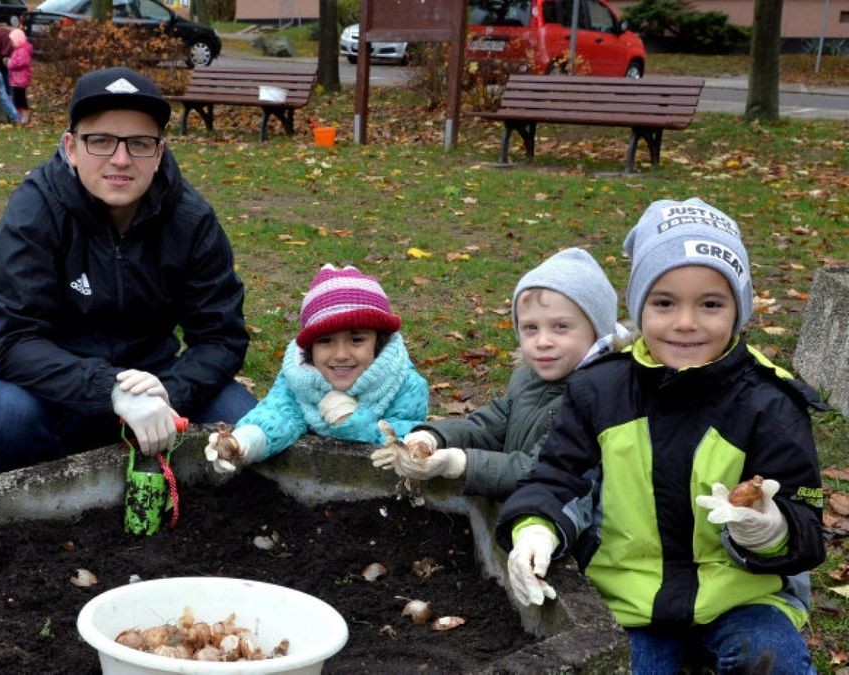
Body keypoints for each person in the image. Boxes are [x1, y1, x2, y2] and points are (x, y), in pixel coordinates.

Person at [497, 198, 827, 672]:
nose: (686, 322)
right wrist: (534, 530)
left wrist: (770, 530)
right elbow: (556, 476)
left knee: (772, 660)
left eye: (710, 304)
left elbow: (806, 525)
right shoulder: (598, 389)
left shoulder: (771, 403)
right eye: (664, 302)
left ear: (739, 309)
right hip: (626, 599)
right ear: (638, 307)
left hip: (744, 596)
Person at [0, 66, 256, 472]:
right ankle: (45, 510)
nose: (120, 160)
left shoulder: (191, 220)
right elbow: (14, 341)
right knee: (6, 413)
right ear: (71, 147)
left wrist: (166, 392)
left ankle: (185, 495)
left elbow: (221, 337)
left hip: (157, 383)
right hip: (61, 388)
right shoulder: (35, 211)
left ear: (158, 153)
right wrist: (110, 390)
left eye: (139, 143)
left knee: (242, 419)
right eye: (100, 141)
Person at [370, 247, 625, 499]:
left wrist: (461, 463)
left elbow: (543, 470)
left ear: (597, 331)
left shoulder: (598, 399)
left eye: (560, 327)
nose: (543, 341)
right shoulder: (527, 380)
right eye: (531, 328)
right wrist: (434, 437)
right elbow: (486, 427)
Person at [203, 264, 429, 474]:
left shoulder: (404, 385)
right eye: (325, 341)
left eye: (357, 339)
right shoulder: (302, 378)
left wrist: (353, 424)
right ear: (310, 348)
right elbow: (279, 413)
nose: (341, 354)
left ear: (378, 341)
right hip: (314, 477)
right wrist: (245, 442)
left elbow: (407, 440)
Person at [6, 28, 33, 124]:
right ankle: (19, 115)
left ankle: (24, 114)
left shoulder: (23, 50)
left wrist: (10, 63)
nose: (11, 43)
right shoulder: (18, 50)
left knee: (20, 97)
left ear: (19, 40)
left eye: (13, 41)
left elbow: (20, 63)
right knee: (17, 98)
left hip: (20, 79)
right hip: (16, 79)